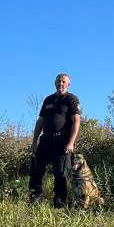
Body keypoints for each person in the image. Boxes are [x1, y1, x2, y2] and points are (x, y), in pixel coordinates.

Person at [29, 73, 81, 207]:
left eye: (63, 82)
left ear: (68, 84)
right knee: (36, 170)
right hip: (45, 140)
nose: (61, 84)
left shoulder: (71, 99)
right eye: (58, 81)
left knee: (61, 173)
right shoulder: (48, 100)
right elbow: (40, 121)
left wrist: (71, 142)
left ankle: (60, 202)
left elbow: (76, 121)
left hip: (62, 142)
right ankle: (35, 199)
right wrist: (34, 141)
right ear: (55, 83)